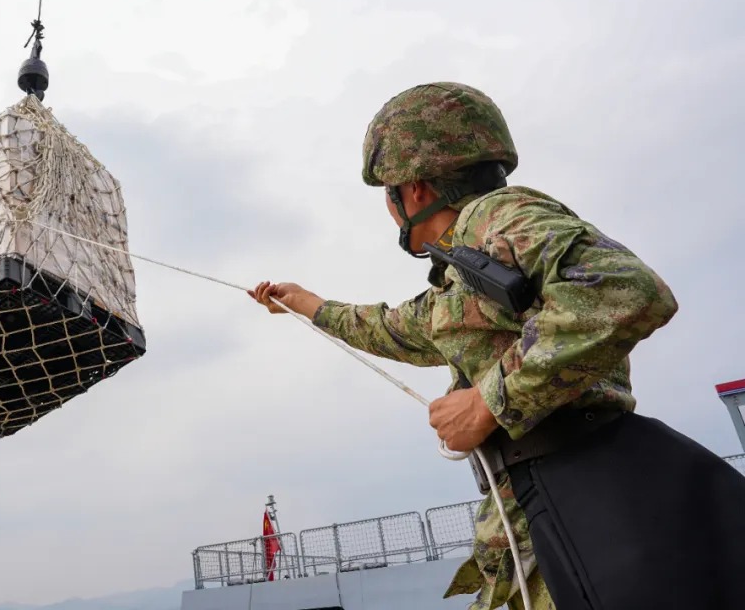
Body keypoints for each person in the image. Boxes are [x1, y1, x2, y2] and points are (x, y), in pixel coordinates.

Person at [249, 82, 745, 610]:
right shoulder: (464, 267)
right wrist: (307, 304)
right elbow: (397, 328)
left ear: (413, 190)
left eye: (388, 194)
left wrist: (487, 402)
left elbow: (623, 288)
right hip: (544, 506)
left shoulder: (497, 216)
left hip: (579, 495)